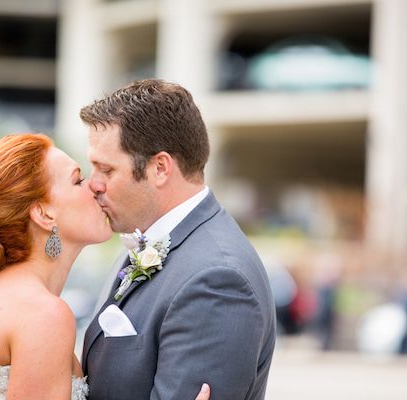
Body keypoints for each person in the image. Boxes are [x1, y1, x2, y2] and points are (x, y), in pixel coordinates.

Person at [0, 133, 211, 400]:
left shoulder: (1, 298)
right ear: (43, 213)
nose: (95, 187)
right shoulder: (42, 313)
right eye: (78, 181)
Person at [81, 79, 276, 399]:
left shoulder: (217, 280)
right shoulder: (150, 240)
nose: (94, 185)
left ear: (160, 168)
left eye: (107, 170)